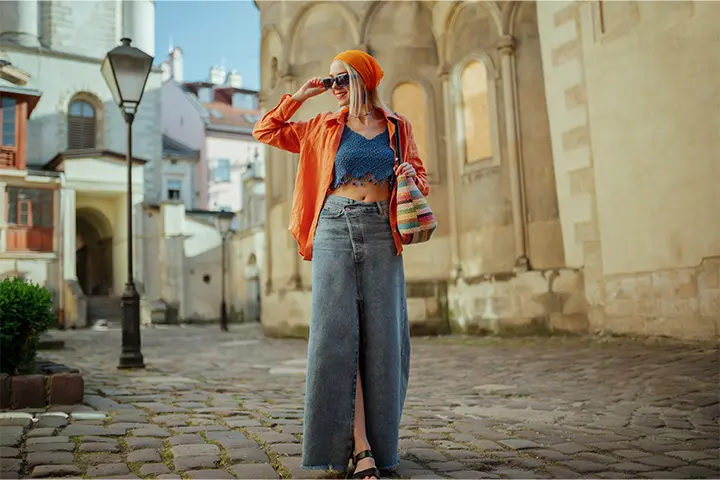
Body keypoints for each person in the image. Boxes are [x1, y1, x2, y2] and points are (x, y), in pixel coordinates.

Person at [253, 50, 430, 479]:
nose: (332, 89)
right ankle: (359, 446)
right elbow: (266, 130)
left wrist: (408, 175)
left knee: (382, 338)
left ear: (361, 81)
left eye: (339, 81)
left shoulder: (397, 127)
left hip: (381, 233)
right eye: (329, 82)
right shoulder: (321, 127)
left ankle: (379, 444)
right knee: (336, 336)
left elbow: (422, 177)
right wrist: (299, 94)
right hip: (333, 227)